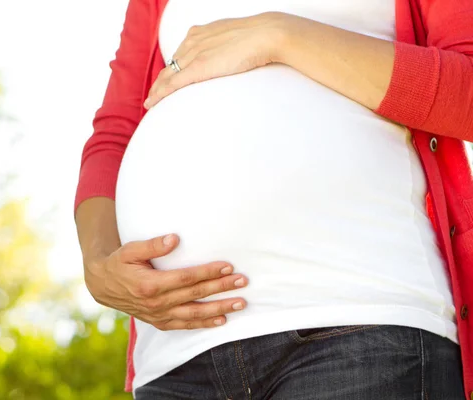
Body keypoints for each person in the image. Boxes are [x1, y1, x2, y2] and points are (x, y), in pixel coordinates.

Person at [74, 0, 473, 398]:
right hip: (176, 357)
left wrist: (280, 34)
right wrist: (98, 261)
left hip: (363, 315)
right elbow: (116, 130)